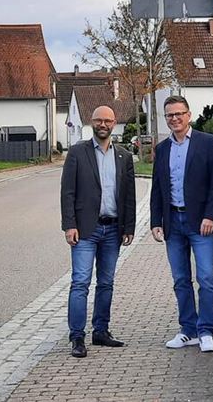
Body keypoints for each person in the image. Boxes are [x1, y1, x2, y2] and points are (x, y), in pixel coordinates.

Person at [60, 105, 136, 358]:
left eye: (108, 121)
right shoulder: (77, 153)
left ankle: (101, 331)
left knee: (106, 283)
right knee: (80, 282)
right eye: (98, 121)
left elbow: (129, 196)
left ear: (114, 123)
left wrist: (129, 227)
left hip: (113, 229)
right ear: (91, 122)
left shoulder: (123, 156)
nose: (103, 125)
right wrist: (69, 224)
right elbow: (67, 191)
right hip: (84, 230)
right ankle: (77, 337)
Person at [150, 95, 213, 353]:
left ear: (188, 115)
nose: (175, 118)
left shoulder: (207, 143)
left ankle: (206, 331)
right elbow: (157, 187)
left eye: (179, 113)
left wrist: (210, 216)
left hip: (200, 223)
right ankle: (188, 330)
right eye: (170, 115)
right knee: (181, 279)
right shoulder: (162, 149)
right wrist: (155, 220)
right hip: (173, 222)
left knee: (206, 277)